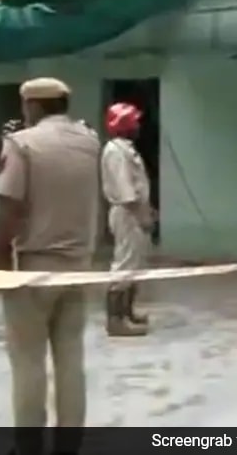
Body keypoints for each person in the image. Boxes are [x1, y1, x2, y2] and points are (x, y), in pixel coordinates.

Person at [0, 77, 99, 455]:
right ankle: (70, 443)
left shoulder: (22, 143)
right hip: (79, 265)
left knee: (28, 360)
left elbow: (8, 205)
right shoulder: (90, 142)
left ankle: (28, 445)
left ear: (32, 106)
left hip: (35, 266)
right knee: (71, 357)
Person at [100, 101, 155, 337]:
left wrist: (148, 209)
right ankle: (116, 319)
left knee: (135, 264)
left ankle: (128, 312)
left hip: (134, 210)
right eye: (134, 122)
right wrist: (143, 216)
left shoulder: (126, 149)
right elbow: (126, 192)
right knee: (124, 265)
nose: (138, 126)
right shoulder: (115, 152)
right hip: (127, 213)